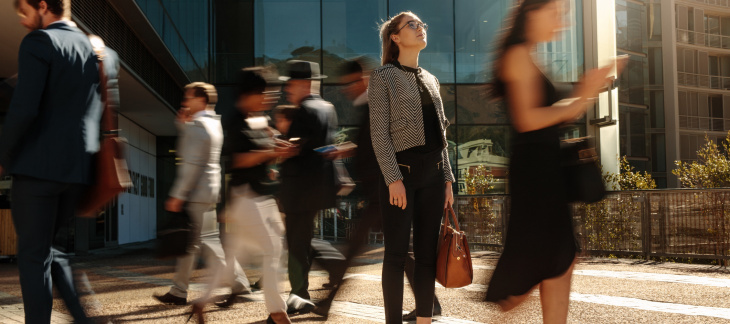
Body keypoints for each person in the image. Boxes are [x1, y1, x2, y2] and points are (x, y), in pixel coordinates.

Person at [483, 1, 623, 323]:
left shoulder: (530, 55)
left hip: (544, 171)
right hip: (536, 176)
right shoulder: (518, 55)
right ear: (532, 12)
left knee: (562, 259)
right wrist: (584, 95)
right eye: (556, 14)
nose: (562, 24)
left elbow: (547, 117)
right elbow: (528, 119)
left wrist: (585, 91)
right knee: (523, 282)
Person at [0, 1, 118, 322]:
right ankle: (81, 317)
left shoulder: (40, 42)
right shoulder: (97, 50)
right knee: (50, 250)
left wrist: (3, 155)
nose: (24, 22)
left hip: (38, 168)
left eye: (24, 12)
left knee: (33, 256)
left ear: (42, 5)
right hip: (76, 172)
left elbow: (24, 110)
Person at [313, 58, 443, 321]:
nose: (346, 90)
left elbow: (384, 141)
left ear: (362, 79)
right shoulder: (368, 104)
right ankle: (430, 303)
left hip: (385, 190)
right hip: (381, 191)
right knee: (398, 253)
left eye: (349, 83)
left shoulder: (376, 100)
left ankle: (327, 302)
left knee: (363, 250)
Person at [369, 12, 455, 324]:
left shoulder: (431, 79)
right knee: (395, 255)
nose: (421, 29)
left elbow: (441, 136)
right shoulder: (382, 76)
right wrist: (392, 178)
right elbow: (378, 133)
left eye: (423, 24)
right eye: (413, 25)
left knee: (426, 256)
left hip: (433, 177)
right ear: (395, 37)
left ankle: (424, 320)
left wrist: (447, 180)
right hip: (401, 175)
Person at [191, 67, 294, 324]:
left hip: (258, 197)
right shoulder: (235, 121)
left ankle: (202, 302)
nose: (269, 98)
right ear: (249, 94)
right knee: (273, 250)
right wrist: (271, 153)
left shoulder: (257, 117)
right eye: (264, 93)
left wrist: (277, 145)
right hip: (248, 198)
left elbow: (267, 143)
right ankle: (278, 312)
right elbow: (239, 159)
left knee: (236, 256)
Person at [154, 82, 251, 305]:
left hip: (196, 192)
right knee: (200, 242)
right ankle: (181, 291)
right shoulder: (212, 123)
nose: (183, 102)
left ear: (201, 100)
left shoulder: (198, 125)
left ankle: (237, 286)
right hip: (208, 190)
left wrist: (178, 194)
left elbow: (192, 163)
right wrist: (184, 128)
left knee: (199, 242)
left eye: (187, 97)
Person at [277, 60, 344, 314]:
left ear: (304, 84)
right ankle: (324, 274)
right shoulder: (328, 108)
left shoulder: (303, 110)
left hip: (299, 190)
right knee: (303, 241)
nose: (288, 90)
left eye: (291, 84)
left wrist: (285, 148)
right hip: (318, 189)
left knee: (296, 245)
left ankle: (298, 295)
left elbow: (297, 148)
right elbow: (325, 147)